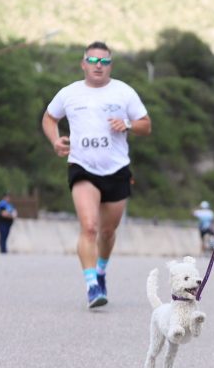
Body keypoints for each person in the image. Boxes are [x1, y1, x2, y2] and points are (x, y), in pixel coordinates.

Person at [42, 41, 152, 309]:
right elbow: (49, 118)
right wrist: (55, 141)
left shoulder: (124, 92)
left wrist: (126, 124)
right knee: (89, 226)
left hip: (116, 170)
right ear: (83, 64)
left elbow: (146, 125)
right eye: (93, 61)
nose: (98, 66)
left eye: (104, 62)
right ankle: (92, 285)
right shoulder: (69, 93)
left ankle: (101, 270)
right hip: (82, 167)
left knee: (107, 231)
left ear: (110, 65)